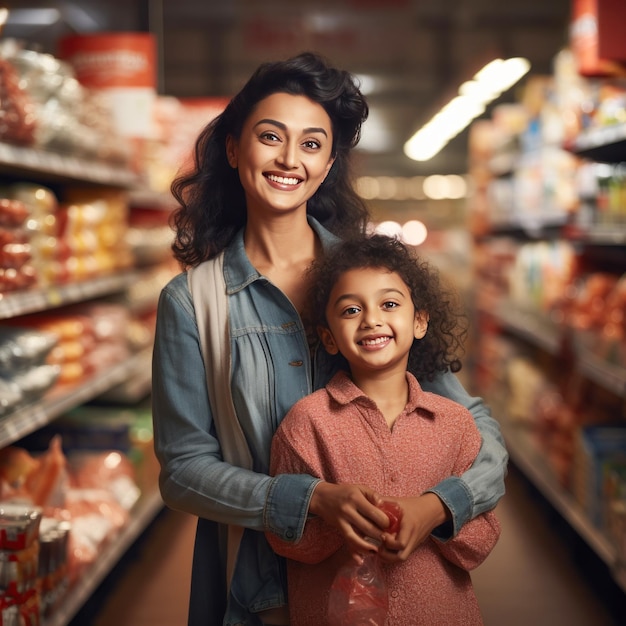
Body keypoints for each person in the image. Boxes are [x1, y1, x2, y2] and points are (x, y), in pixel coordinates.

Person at [151, 51, 508, 626]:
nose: (290, 159)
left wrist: (439, 505)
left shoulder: (375, 286)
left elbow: (473, 426)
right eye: (271, 137)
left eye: (312, 144)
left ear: (328, 163)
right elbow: (184, 471)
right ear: (233, 148)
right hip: (261, 588)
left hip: (402, 585)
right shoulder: (195, 302)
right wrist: (311, 499)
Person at [266, 234, 501, 625]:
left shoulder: (454, 423)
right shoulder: (307, 423)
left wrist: (434, 516)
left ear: (420, 320)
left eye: (389, 304)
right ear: (328, 337)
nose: (372, 319)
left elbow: (481, 540)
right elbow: (285, 536)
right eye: (350, 310)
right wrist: (341, 522)